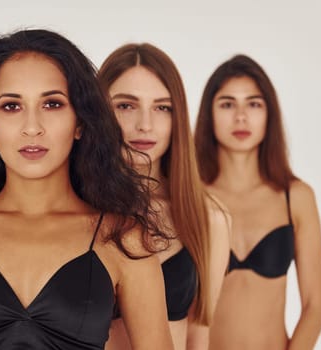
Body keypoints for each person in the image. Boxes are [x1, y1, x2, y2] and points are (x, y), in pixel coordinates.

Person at [0, 29, 175, 350]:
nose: (32, 127)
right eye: (12, 106)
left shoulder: (124, 239)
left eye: (52, 104)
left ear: (80, 122)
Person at [98, 43, 230, 350]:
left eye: (162, 107)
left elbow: (198, 337)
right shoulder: (74, 210)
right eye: (126, 106)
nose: (145, 124)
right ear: (99, 111)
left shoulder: (209, 218)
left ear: (177, 118)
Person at [194, 54, 321, 349]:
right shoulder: (192, 197)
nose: (241, 117)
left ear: (269, 114)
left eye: (253, 104)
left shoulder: (296, 197)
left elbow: (315, 307)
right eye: (227, 104)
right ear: (209, 114)